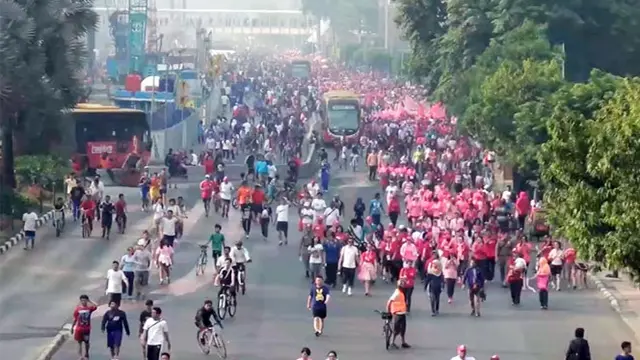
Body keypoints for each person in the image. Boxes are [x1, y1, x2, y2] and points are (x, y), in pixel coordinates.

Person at [72, 294, 98, 360]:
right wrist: (72, 327)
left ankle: (86, 353)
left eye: (85, 300)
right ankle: (80, 356)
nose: (83, 302)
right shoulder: (78, 309)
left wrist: (90, 301)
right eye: (82, 300)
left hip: (86, 328)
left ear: (86, 300)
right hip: (79, 329)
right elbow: (75, 319)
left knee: (86, 342)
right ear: (80, 301)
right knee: (79, 342)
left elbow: (96, 306)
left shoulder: (89, 308)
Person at [386, 279, 410, 349]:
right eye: (402, 284)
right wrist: (388, 311)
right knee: (396, 329)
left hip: (402, 312)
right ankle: (392, 342)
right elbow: (389, 301)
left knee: (403, 328)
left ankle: (403, 342)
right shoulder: (397, 293)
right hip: (397, 313)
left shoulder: (401, 292)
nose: (404, 285)